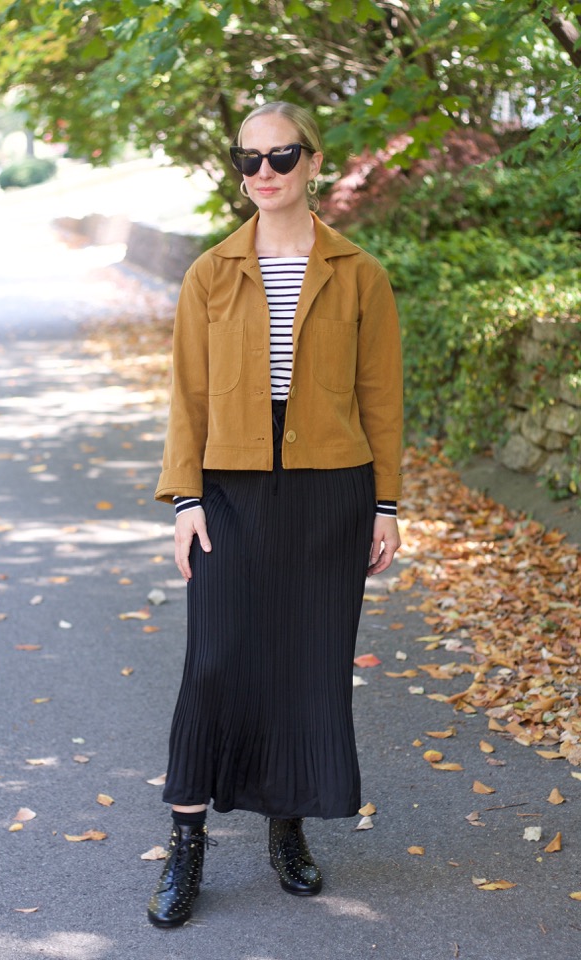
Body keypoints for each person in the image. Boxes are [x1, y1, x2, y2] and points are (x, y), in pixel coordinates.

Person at [148, 100, 403, 928]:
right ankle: (187, 842)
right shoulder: (211, 272)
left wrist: (387, 504)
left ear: (313, 162)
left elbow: (381, 398)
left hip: (332, 488)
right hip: (231, 487)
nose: (264, 172)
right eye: (248, 158)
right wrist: (186, 499)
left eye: (281, 156)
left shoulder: (358, 271)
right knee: (215, 662)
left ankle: (285, 829)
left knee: (305, 665)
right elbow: (186, 395)